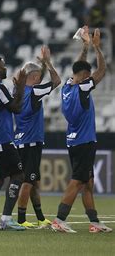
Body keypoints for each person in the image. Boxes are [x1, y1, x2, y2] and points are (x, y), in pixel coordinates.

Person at [52, 27, 112, 233]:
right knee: (78, 181)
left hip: (73, 140)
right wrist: (97, 48)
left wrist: (84, 46)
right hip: (85, 141)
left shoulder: (68, 86)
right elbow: (102, 71)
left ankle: (94, 221)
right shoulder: (84, 87)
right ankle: (60, 219)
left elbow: (79, 66)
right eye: (87, 74)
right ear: (85, 76)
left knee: (88, 182)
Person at [15, 45, 61, 229]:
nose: (40, 79)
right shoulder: (34, 92)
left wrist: (40, 65)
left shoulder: (17, 92)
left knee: (33, 181)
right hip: (31, 141)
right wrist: (47, 62)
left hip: (20, 140)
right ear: (34, 78)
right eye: (38, 77)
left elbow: (35, 77)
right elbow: (56, 81)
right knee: (28, 181)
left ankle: (41, 217)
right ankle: (20, 219)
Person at [0, 55, 26, 231]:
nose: (5, 68)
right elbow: (16, 108)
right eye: (2, 66)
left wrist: (16, 89)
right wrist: (21, 86)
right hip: (3, 140)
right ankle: (6, 219)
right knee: (18, 175)